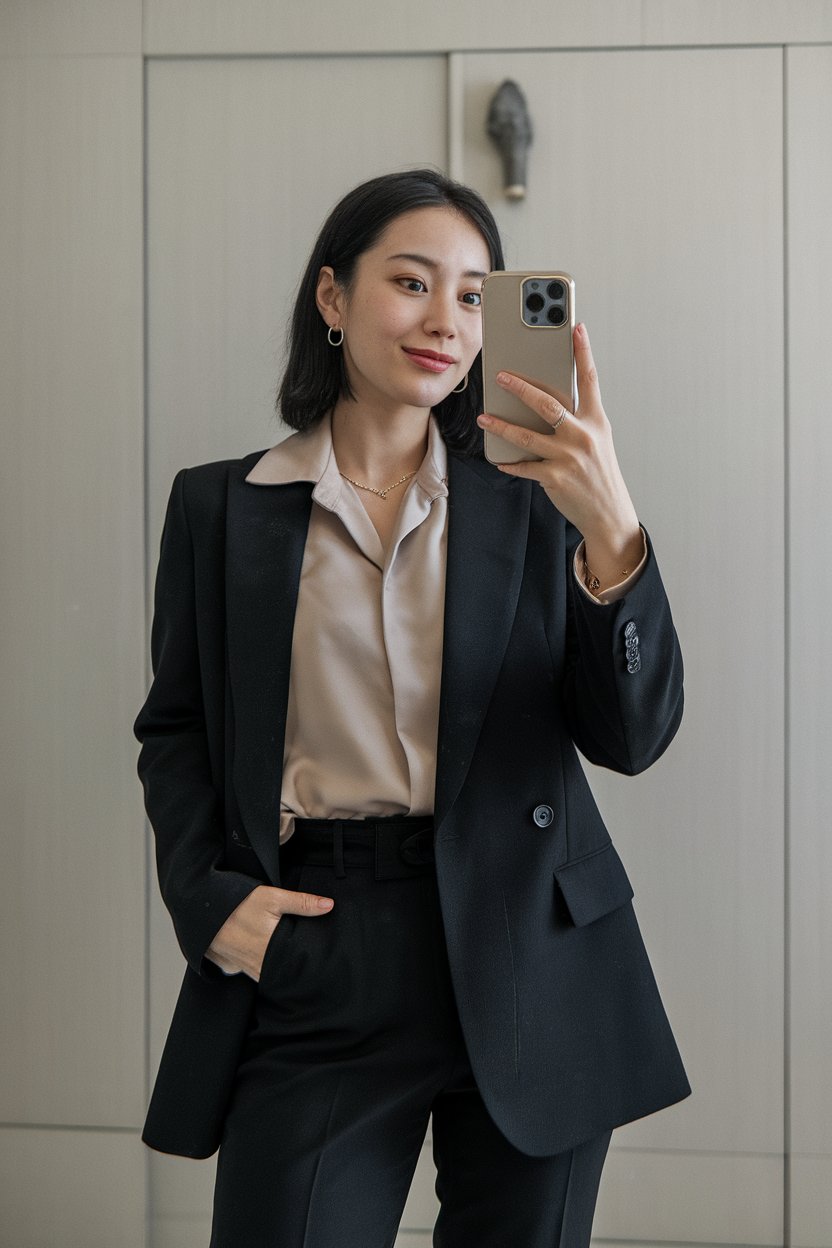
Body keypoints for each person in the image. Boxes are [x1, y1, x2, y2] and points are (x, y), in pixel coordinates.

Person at [134, 168, 689, 1248]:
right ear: (332, 298)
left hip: (532, 946)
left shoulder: (541, 502)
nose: (447, 321)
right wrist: (208, 902)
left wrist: (613, 531)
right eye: (411, 282)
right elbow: (178, 729)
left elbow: (632, 738)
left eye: (475, 296)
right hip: (322, 946)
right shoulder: (222, 507)